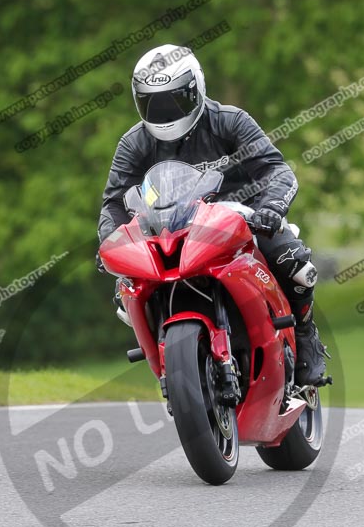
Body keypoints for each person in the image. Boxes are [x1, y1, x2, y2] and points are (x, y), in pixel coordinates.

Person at [97, 44, 328, 386]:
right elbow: (114, 202)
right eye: (153, 103)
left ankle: (306, 335)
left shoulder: (229, 122)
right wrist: (109, 240)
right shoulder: (134, 143)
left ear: (196, 89)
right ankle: (166, 359)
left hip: (241, 221)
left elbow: (276, 170)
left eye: (174, 100)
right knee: (127, 289)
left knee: (290, 259)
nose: (165, 112)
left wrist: (270, 208)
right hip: (169, 232)